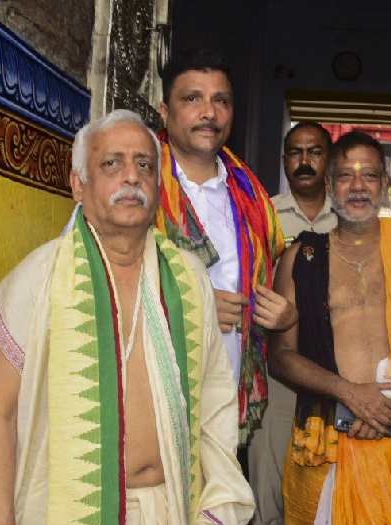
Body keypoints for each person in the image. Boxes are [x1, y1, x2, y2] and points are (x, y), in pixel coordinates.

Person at [0, 109, 255, 525]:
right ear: (78, 184)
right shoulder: (37, 281)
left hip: (172, 523)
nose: (132, 176)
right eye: (112, 164)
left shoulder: (188, 279)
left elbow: (215, 405)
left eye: (145, 165)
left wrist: (217, 513)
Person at [270, 131, 391, 525]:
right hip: (326, 441)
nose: (357, 186)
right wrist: (350, 393)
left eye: (369, 175)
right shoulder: (302, 257)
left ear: (385, 184)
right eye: (345, 176)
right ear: (330, 184)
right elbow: (282, 357)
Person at [155, 48, 291, 453]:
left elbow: (269, 288)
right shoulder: (137, 184)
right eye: (192, 98)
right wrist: (189, 304)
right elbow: (97, 275)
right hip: (152, 400)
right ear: (164, 111)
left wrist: (286, 315)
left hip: (228, 404)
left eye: (220, 100)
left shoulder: (251, 198)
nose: (208, 112)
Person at [246, 120, 338, 525]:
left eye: (315, 152)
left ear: (329, 159)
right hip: (274, 377)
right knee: (267, 505)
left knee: (324, 505)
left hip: (332, 381)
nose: (305, 161)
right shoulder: (262, 215)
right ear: (284, 161)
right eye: (295, 152)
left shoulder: (349, 217)